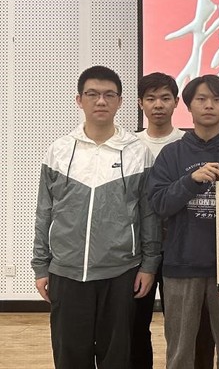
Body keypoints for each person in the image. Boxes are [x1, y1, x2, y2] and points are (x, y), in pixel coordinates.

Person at [31, 65, 161, 368]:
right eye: (92, 94)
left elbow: (148, 214)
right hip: (66, 271)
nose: (101, 101)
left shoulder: (137, 151)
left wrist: (149, 264)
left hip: (121, 271)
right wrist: (40, 266)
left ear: (120, 101)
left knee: (117, 357)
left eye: (109, 95)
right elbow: (44, 212)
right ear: (79, 100)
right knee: (70, 356)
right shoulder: (59, 150)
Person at [148, 75, 219, 369]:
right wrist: (190, 181)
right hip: (180, 266)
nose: (209, 105)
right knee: (179, 352)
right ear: (188, 106)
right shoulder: (172, 153)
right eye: (201, 99)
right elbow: (159, 204)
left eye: (217, 99)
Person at [132, 72, 186, 369]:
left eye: (165, 98)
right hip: (137, 251)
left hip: (179, 248)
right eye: (151, 98)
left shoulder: (187, 143)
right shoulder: (129, 145)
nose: (158, 105)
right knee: (135, 325)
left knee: (180, 328)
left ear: (176, 102)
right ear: (140, 103)